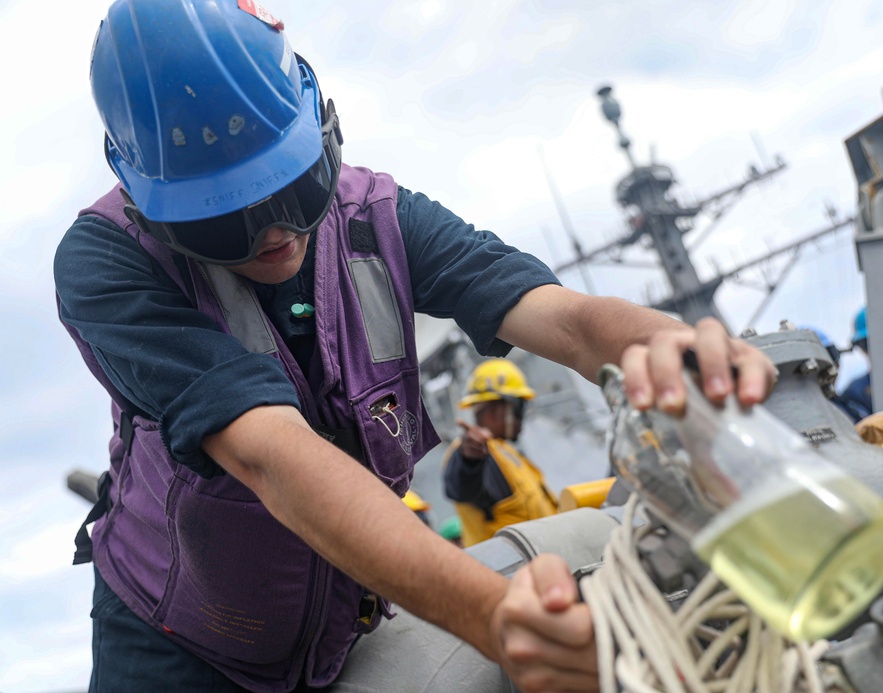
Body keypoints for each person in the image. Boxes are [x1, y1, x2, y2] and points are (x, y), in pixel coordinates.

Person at [54, 2, 776, 691]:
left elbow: (567, 319)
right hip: (175, 649)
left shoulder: (383, 220)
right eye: (221, 222)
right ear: (151, 207)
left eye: (296, 190)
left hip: (339, 624)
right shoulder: (106, 261)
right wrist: (493, 615)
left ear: (324, 134)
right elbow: (269, 454)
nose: (273, 232)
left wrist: (673, 345)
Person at [443, 359, 558, 546]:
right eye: (520, 408)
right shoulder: (477, 453)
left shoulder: (507, 454)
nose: (522, 418)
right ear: (496, 410)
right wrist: (470, 461)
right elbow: (463, 487)